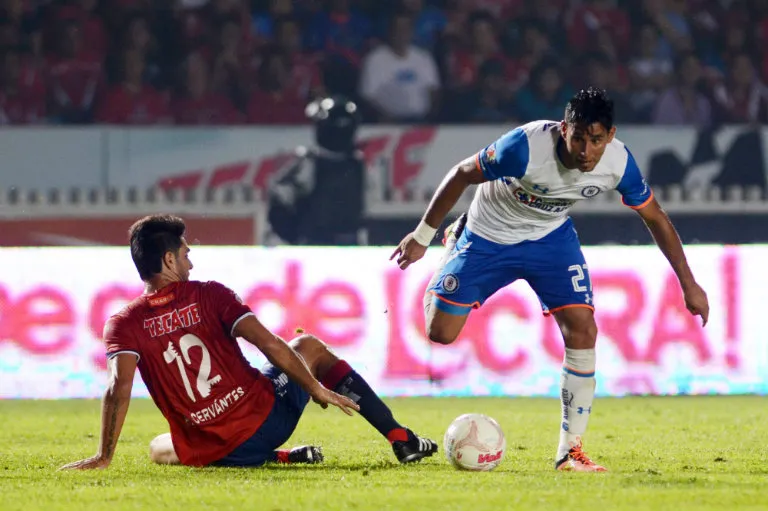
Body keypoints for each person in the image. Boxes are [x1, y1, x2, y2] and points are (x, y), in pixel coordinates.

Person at [390, 87, 709, 472]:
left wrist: (688, 283)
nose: (586, 151)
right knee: (440, 333)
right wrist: (423, 236)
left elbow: (655, 216)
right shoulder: (524, 147)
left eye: (596, 141)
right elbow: (461, 174)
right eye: (579, 138)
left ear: (610, 136)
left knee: (583, 328)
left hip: (549, 239)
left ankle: (570, 452)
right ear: (564, 129)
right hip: (487, 236)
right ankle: (452, 247)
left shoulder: (619, 163)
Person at [61, 215, 437, 470]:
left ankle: (277, 458)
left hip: (213, 448)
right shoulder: (210, 295)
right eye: (186, 255)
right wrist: (315, 388)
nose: (191, 264)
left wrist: (104, 455)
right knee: (309, 346)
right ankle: (400, 437)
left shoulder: (123, 323)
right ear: (169, 259)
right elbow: (270, 344)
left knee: (159, 447)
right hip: (265, 423)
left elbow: (118, 387)